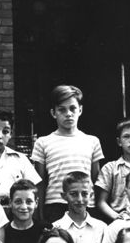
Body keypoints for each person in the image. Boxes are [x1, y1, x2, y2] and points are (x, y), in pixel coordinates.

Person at [30, 84, 105, 224]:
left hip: (86, 204)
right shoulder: (43, 142)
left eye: (73, 108)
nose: (68, 113)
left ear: (80, 110)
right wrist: (39, 213)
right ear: (53, 113)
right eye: (62, 110)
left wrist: (97, 210)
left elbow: (96, 180)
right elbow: (40, 181)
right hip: (55, 206)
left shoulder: (92, 141)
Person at [0, 108, 41, 207]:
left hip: (15, 212)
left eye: (5, 132)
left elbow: (34, 189)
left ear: (11, 134)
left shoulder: (20, 159)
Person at [53, 171, 107, 243]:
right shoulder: (56, 228)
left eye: (84, 194)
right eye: (73, 194)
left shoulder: (101, 227)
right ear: (64, 196)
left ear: (91, 195)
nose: (80, 199)